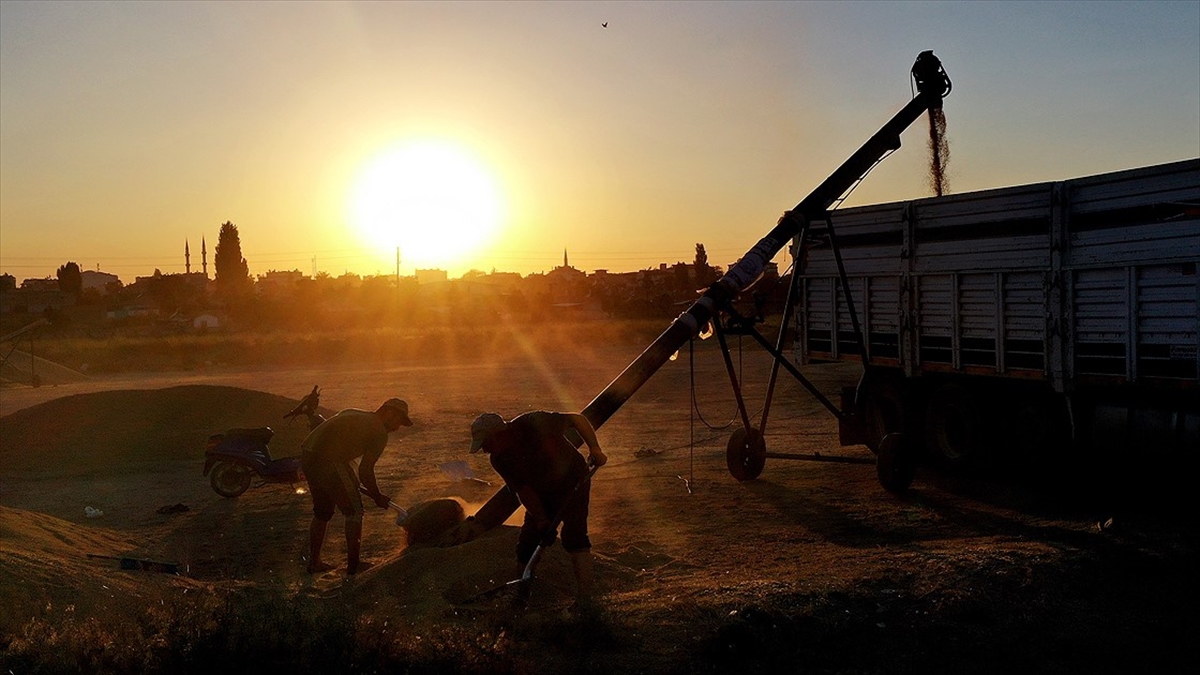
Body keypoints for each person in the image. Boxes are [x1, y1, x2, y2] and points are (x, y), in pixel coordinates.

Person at [469, 410, 607, 603]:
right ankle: (522, 594)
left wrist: (595, 449)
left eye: (486, 444)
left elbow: (578, 420)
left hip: (572, 479)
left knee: (574, 535)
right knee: (527, 544)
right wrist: (541, 519)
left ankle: (585, 597)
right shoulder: (499, 459)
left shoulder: (535, 422)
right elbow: (523, 491)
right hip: (541, 491)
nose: (485, 450)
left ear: (499, 434)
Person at [301, 397, 412, 574]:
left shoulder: (353, 411)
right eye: (399, 421)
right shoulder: (379, 432)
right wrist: (377, 496)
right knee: (354, 512)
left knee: (322, 512)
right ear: (390, 413)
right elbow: (365, 471)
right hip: (329, 460)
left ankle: (314, 563)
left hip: (307, 455)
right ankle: (354, 566)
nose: (397, 428)